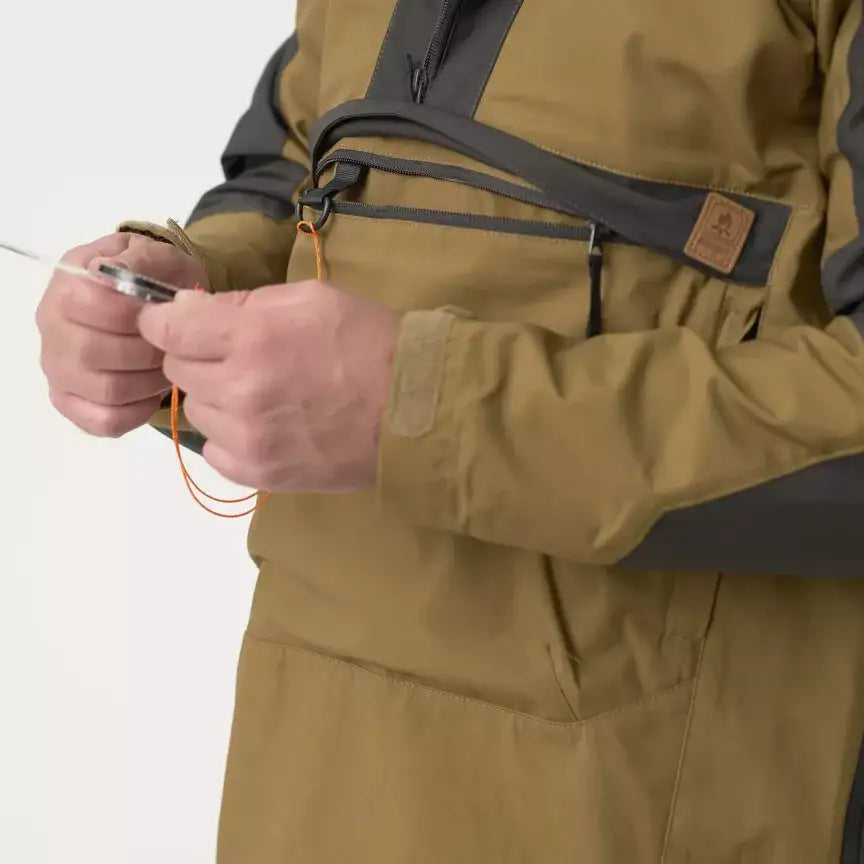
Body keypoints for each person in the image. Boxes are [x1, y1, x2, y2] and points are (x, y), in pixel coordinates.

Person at [33, 1, 864, 861]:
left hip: (636, 807)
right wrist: (183, 293)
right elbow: (295, 178)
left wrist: (425, 406)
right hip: (301, 777)